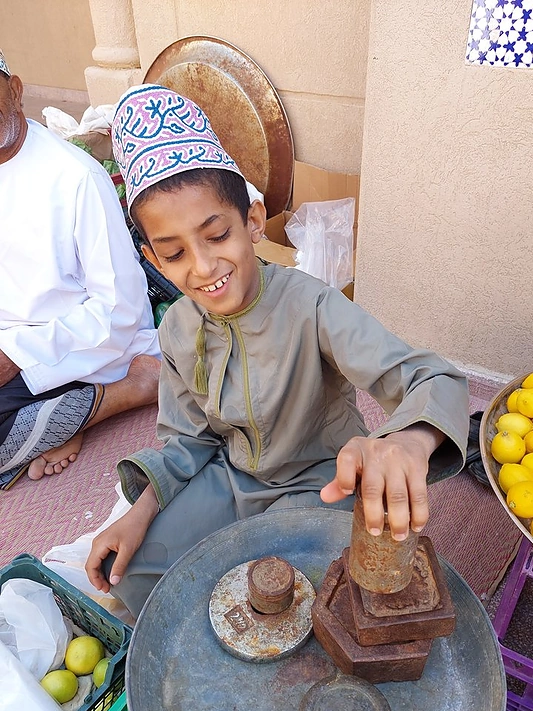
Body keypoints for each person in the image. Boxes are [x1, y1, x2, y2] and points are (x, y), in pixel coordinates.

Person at [86, 84, 470, 619]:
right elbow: (188, 441)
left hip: (320, 481)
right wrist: (142, 508)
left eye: (216, 235)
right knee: (138, 572)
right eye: (173, 254)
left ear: (252, 220)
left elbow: (433, 379)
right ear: (153, 257)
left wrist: (410, 438)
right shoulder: (176, 327)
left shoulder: (311, 305)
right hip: (231, 477)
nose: (200, 267)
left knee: (297, 595)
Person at [0, 51, 161, 490]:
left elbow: (119, 312)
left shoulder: (74, 177)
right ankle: (66, 420)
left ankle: (130, 390)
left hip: (80, 346)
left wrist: (16, 353)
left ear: (15, 90)